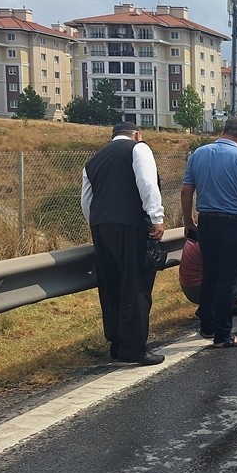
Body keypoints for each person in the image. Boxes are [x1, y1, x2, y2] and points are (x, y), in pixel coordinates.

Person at [80, 121, 166, 365]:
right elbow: (147, 184)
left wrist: (97, 224)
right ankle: (135, 349)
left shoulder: (94, 160)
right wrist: (156, 218)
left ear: (113, 136)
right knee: (136, 284)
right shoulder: (138, 149)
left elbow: (86, 200)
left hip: (100, 226)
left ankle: (117, 345)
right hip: (131, 225)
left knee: (111, 287)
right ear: (136, 134)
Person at [180, 116, 237, 348]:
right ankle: (224, 336)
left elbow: (186, 191)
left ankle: (207, 327)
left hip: (206, 224)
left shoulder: (199, 153)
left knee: (211, 277)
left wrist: (188, 222)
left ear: (224, 131)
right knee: (228, 281)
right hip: (233, 224)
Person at [178, 234, 237, 317]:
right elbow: (233, 269)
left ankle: (229, 305)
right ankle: (211, 307)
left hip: (192, 285)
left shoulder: (200, 234)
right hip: (198, 290)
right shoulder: (212, 245)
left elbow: (236, 253)